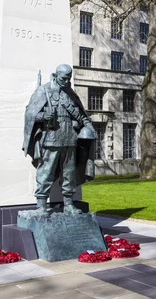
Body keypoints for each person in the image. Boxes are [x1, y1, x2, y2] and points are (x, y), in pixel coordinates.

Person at [22, 64, 95, 216]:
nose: (66, 82)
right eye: (63, 79)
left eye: (68, 79)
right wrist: (43, 116)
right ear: (56, 76)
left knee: (69, 174)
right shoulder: (44, 90)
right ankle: (41, 206)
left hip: (70, 139)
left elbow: (81, 116)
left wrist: (89, 126)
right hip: (51, 139)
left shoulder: (70, 93)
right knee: (46, 173)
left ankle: (68, 204)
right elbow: (30, 113)